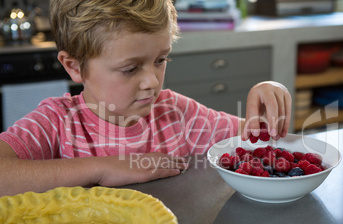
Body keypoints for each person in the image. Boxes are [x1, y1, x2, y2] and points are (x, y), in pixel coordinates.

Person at [0, 0, 291, 197]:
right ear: (74, 66)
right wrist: (103, 168)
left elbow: (262, 139)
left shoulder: (176, 113)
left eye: (161, 60)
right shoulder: (58, 122)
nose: (152, 82)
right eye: (130, 69)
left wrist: (266, 101)